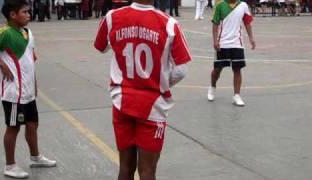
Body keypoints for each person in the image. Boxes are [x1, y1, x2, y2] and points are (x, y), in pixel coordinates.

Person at [94, 0, 192, 179]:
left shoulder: (112, 17)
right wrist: (160, 81)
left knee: (125, 168)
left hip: (121, 100)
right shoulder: (169, 24)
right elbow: (181, 69)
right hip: (152, 105)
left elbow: (101, 47)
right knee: (147, 170)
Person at [0, 0, 57, 178]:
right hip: (14, 94)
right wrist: (1, 64)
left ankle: (35, 157)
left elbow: (30, 60)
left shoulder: (28, 33)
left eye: (29, 11)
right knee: (13, 127)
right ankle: (10, 165)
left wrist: (34, 83)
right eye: (25, 12)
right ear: (13, 15)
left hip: (28, 92)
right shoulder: (4, 33)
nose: (29, 14)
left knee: (33, 124)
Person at [207, 0, 256, 106]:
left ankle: (236, 95)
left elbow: (247, 22)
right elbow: (215, 23)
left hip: (237, 43)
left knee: (237, 69)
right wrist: (215, 40)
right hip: (222, 42)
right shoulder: (220, 5)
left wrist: (251, 38)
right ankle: (212, 86)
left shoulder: (243, 5)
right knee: (217, 69)